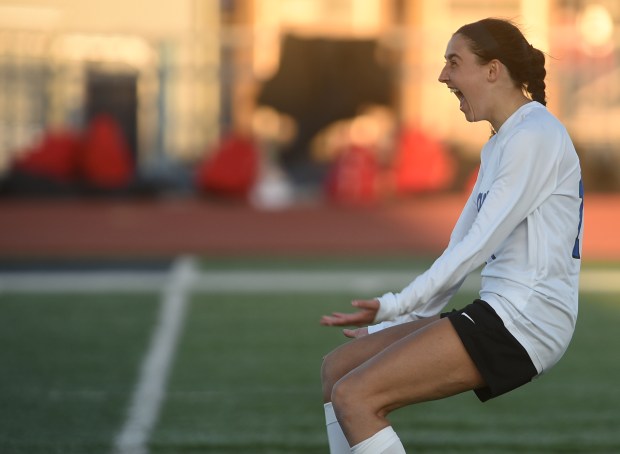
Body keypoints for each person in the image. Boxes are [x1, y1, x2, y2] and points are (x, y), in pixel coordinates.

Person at [320, 18, 584, 454]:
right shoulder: (503, 141)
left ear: (493, 70)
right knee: (338, 370)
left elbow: (474, 248)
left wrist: (395, 304)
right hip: (502, 311)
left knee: (357, 396)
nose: (444, 76)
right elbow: (460, 246)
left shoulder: (534, 135)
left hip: (526, 320)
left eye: (454, 63)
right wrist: (398, 319)